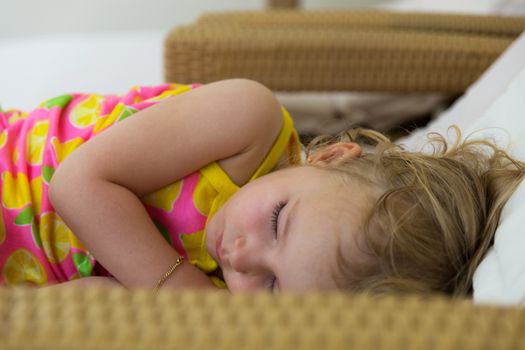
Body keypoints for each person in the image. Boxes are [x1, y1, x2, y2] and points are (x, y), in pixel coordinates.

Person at [0, 79, 523, 296]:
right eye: (277, 220)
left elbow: (81, 298)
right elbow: (79, 185)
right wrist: (181, 296)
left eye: (272, 285)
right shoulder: (248, 123)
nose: (243, 257)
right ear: (330, 157)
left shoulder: (231, 296)